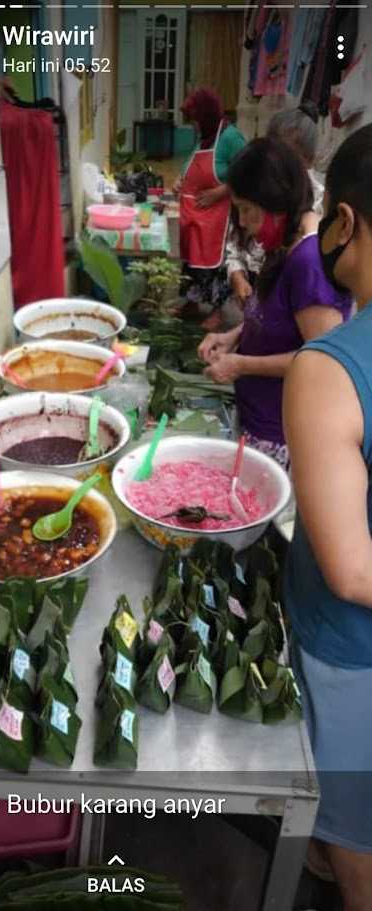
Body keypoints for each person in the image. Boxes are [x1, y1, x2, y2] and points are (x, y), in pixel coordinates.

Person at [284, 123, 372, 911]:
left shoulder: (331, 369)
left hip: (354, 654)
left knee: (360, 839)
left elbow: (350, 568)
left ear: (343, 223)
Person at [198, 138, 352, 468]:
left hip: (279, 433)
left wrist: (240, 365)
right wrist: (232, 336)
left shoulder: (309, 262)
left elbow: (323, 360)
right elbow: (275, 315)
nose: (242, 222)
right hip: (257, 416)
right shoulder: (287, 244)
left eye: (247, 210)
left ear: (276, 202)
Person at [226, 102, 324, 316]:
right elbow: (236, 243)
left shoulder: (309, 248)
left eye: (289, 160)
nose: (243, 221)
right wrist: (237, 274)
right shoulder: (256, 194)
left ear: (309, 160)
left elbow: (315, 342)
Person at [176, 89, 246, 322]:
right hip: (195, 213)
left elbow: (248, 169)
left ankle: (217, 312)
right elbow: (193, 164)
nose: (194, 126)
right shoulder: (205, 137)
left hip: (218, 214)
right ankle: (193, 303)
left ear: (206, 116)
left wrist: (221, 191)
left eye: (195, 120)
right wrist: (180, 180)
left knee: (214, 263)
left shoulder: (230, 138)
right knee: (193, 260)